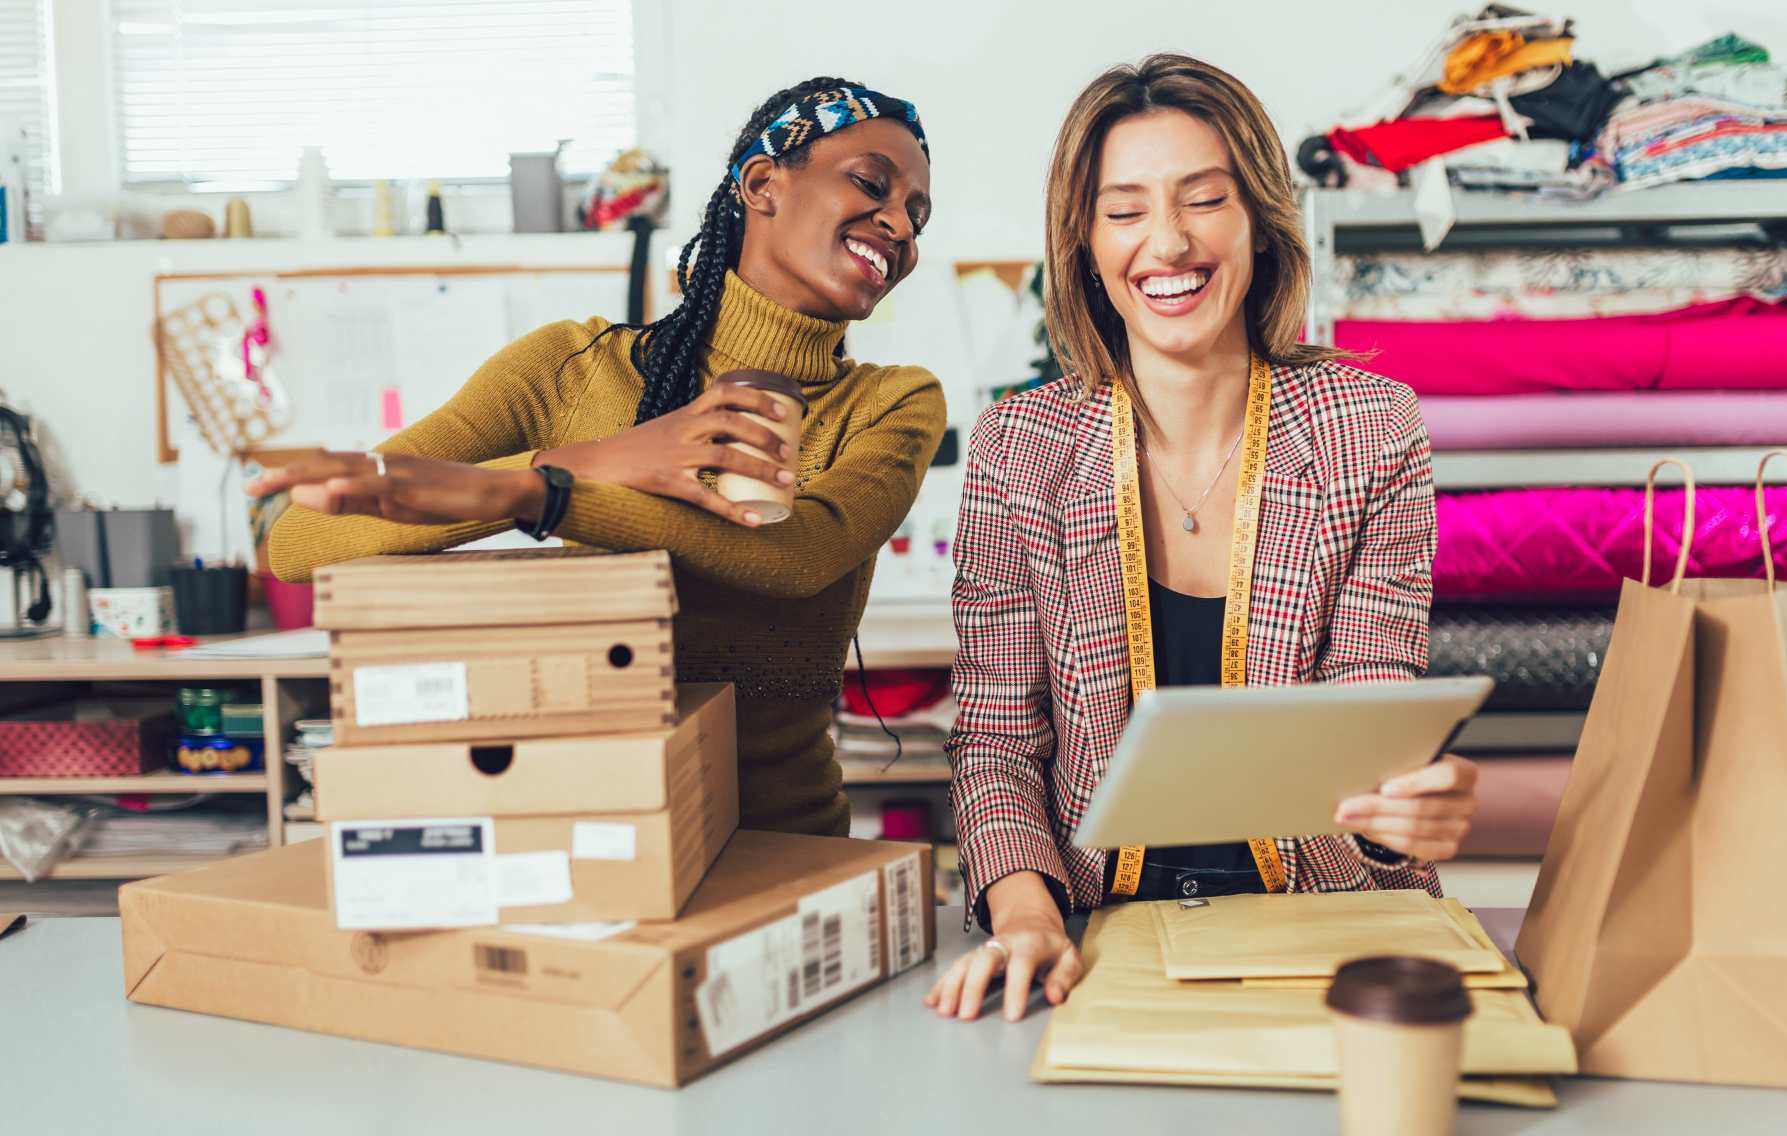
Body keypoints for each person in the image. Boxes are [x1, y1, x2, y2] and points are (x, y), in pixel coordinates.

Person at [927, 55, 1479, 1023]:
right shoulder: (1020, 450)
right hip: (1096, 941)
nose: (1168, 242)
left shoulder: (1370, 430)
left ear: (1260, 221)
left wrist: (1406, 811)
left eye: (1204, 199)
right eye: (1125, 209)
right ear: (1086, 245)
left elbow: (1368, 725)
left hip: (1329, 938)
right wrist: (1025, 916)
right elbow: (1000, 746)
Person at [252, 78, 944, 837]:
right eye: (873, 184)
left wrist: (535, 495)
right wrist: (587, 461)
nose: (900, 226)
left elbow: (800, 556)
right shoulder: (568, 369)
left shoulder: (892, 402)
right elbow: (298, 541)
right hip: (592, 828)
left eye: (917, 214)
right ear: (761, 184)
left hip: (784, 839)